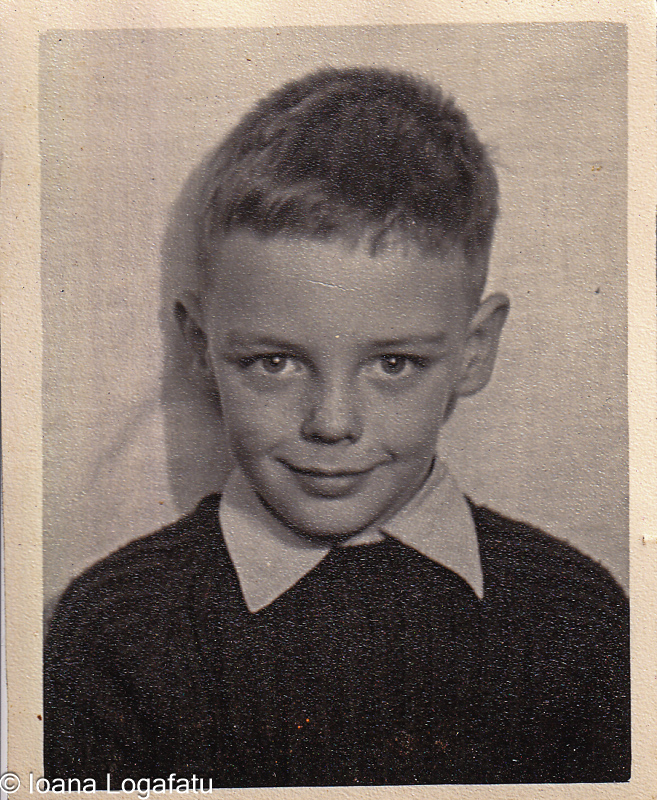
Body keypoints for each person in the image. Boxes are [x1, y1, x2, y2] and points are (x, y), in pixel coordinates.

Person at [44, 67, 630, 786]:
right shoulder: (117, 628)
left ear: (474, 351)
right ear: (200, 346)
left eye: (392, 363)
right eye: (273, 363)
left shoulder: (574, 616)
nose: (331, 423)